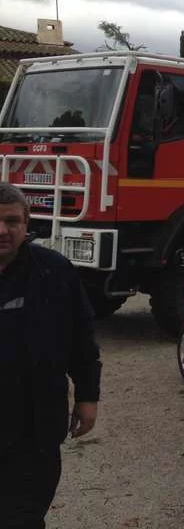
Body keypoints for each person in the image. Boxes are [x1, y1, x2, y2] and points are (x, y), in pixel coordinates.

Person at [0, 183, 102, 528]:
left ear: (27, 225)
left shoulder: (53, 272)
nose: (2, 230)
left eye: (12, 221)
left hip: (35, 428)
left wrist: (88, 397)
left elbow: (81, 337)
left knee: (24, 518)